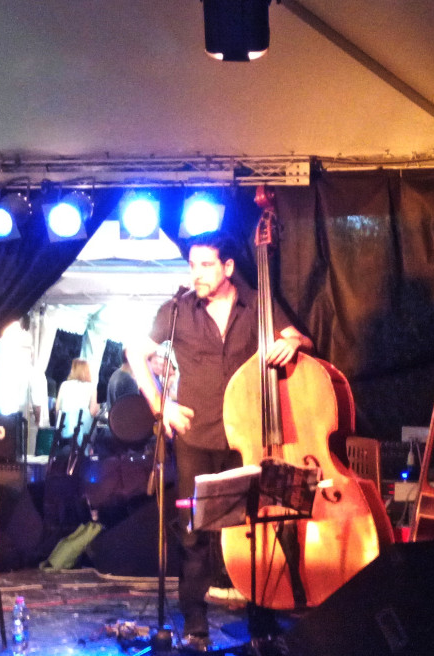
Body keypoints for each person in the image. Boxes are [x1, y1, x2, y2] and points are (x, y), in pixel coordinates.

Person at [126, 230, 312, 650]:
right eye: (192, 265)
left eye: (206, 265)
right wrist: (162, 406)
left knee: (255, 527)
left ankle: (261, 619)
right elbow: (135, 354)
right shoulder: (177, 309)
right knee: (194, 532)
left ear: (228, 267)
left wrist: (292, 342)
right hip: (195, 435)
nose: (197, 274)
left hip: (248, 436)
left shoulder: (257, 305)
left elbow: (301, 339)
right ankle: (196, 623)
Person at [54, 358, 100, 443]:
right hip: (83, 432)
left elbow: (57, 408)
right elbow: (94, 411)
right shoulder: (91, 387)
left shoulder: (64, 385)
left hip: (65, 430)